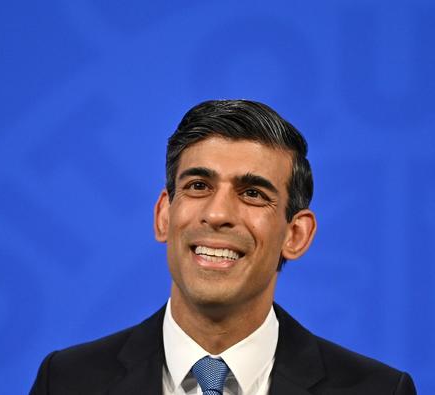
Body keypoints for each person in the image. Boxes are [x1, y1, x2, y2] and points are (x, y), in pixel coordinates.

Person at [29, 100, 416, 394]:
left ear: (296, 234)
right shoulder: (66, 381)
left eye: (252, 193)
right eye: (198, 186)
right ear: (164, 214)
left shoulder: (379, 390)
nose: (217, 215)